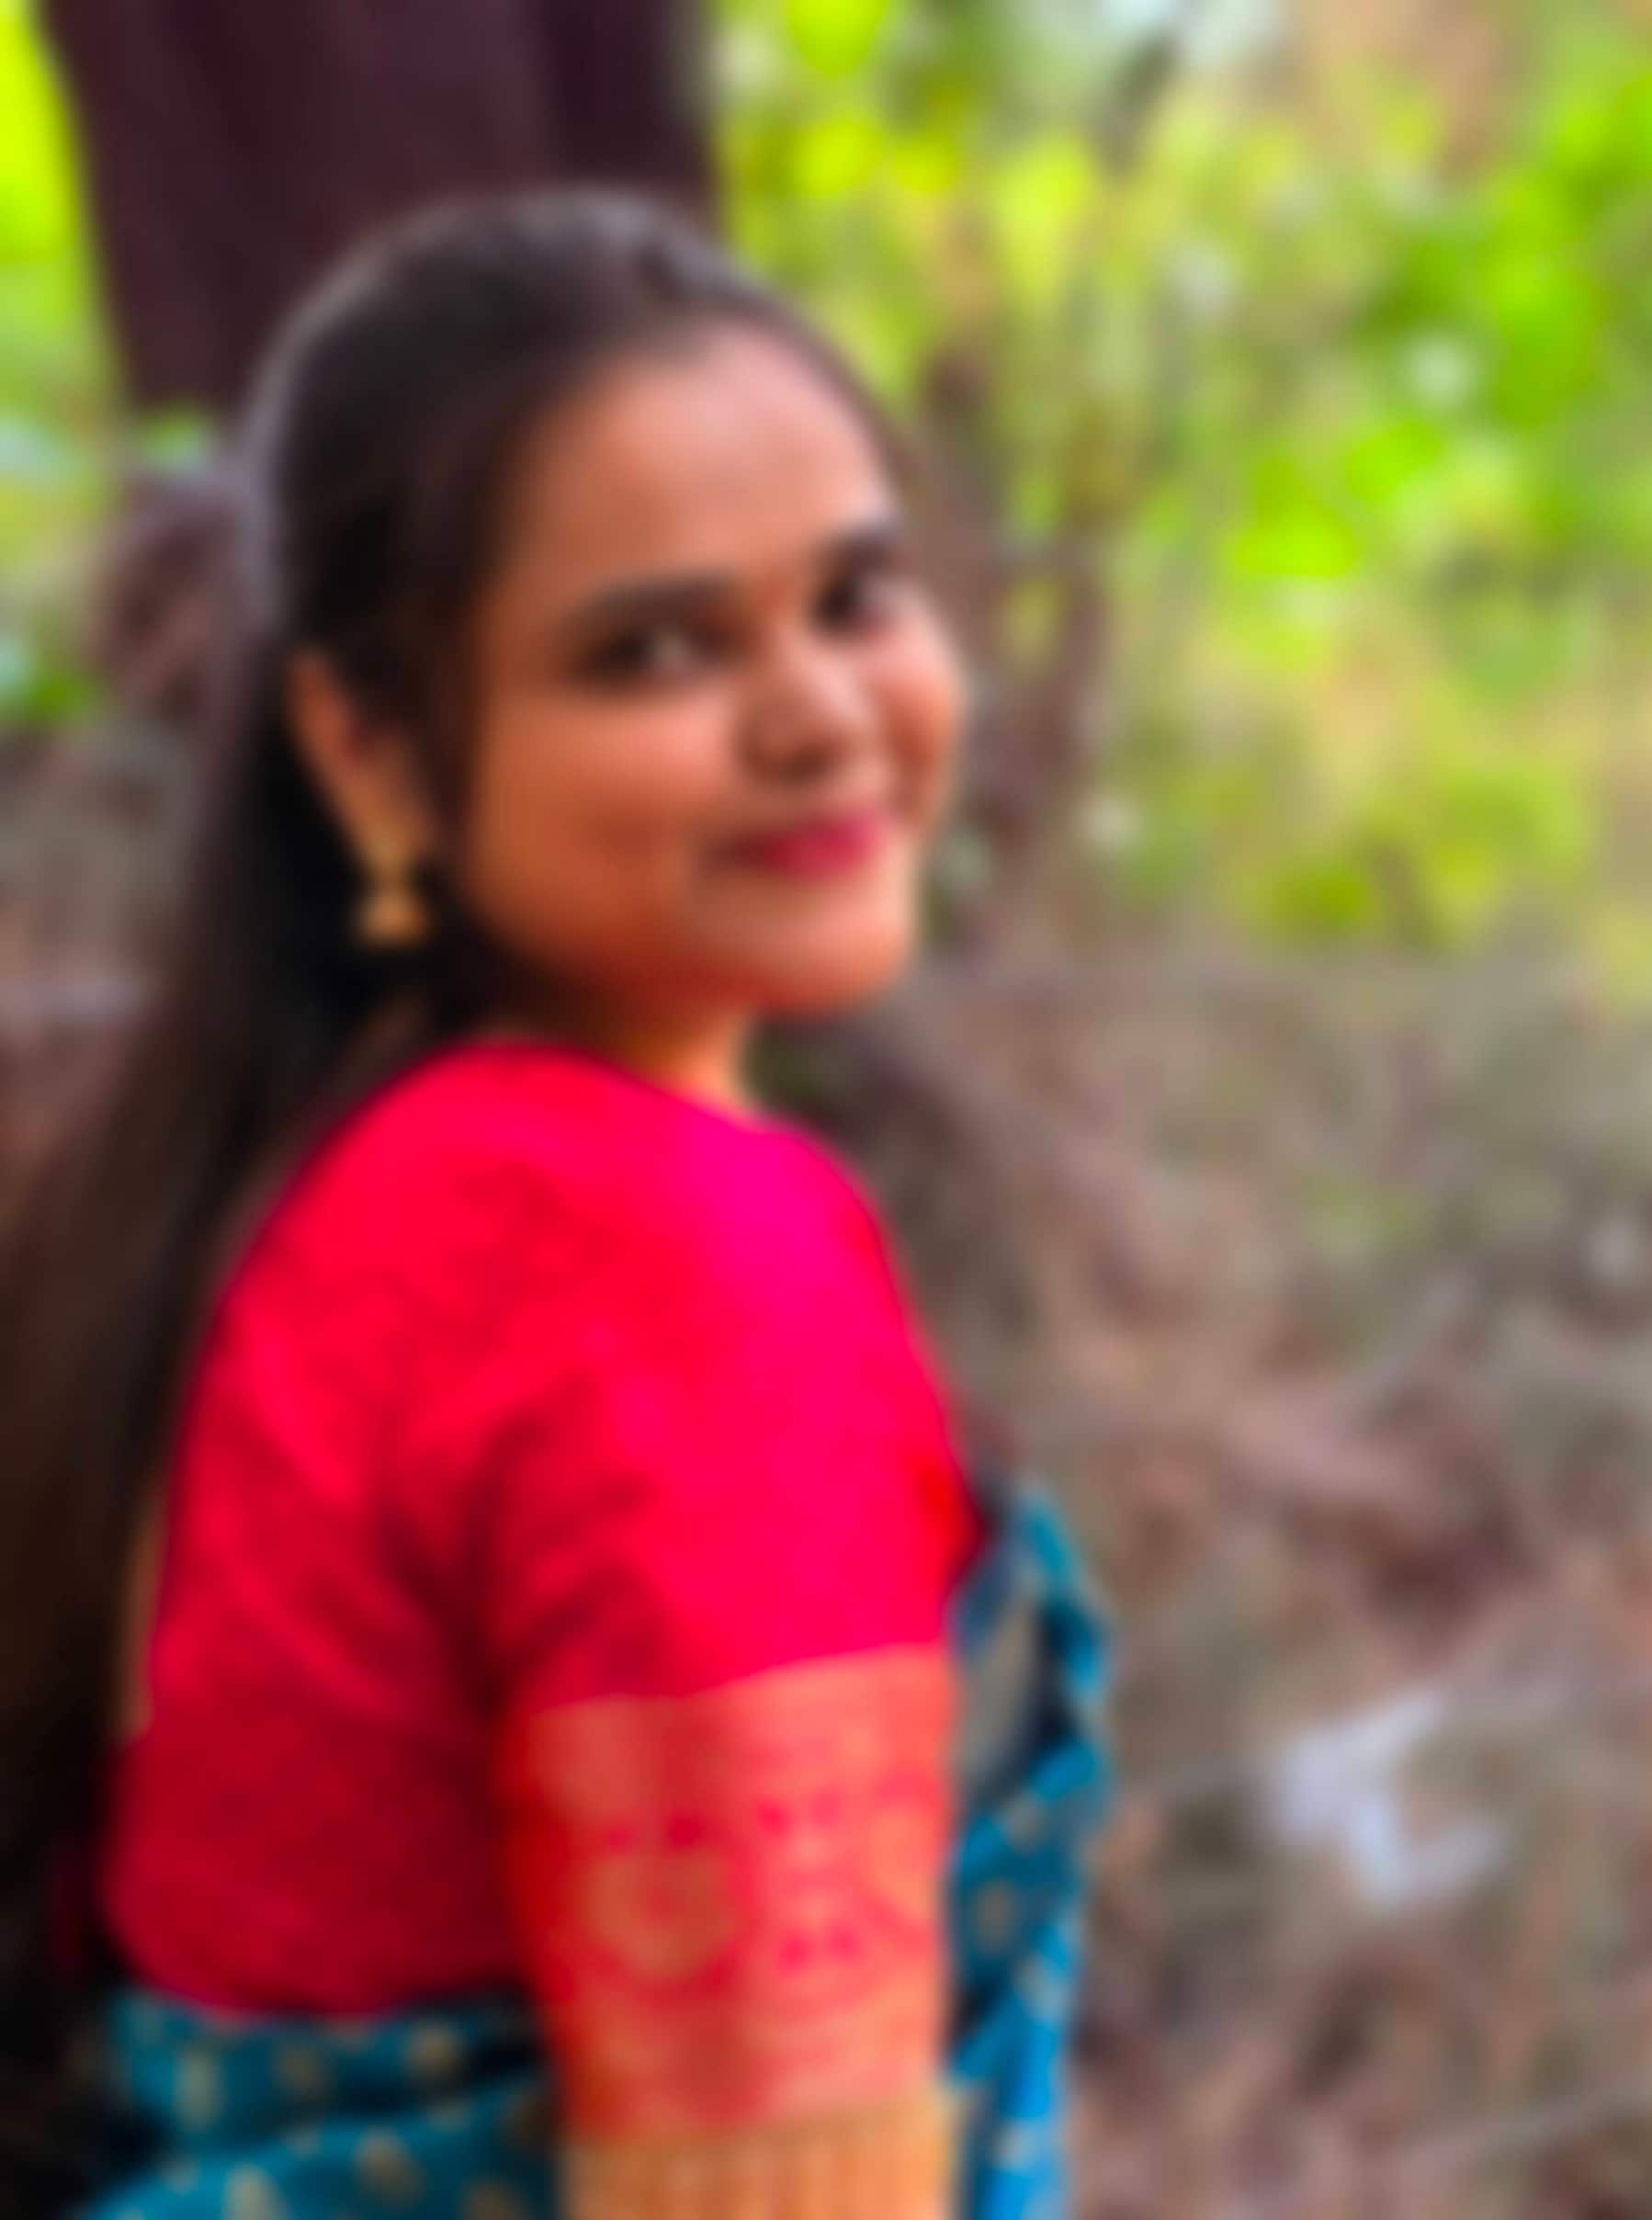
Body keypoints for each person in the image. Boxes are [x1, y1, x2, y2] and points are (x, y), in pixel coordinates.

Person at [0, 191, 1109, 2218]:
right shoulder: (660, 1258)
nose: (820, 715)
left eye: (856, 596)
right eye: (652, 649)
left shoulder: (292, 1189)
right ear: (370, 753)